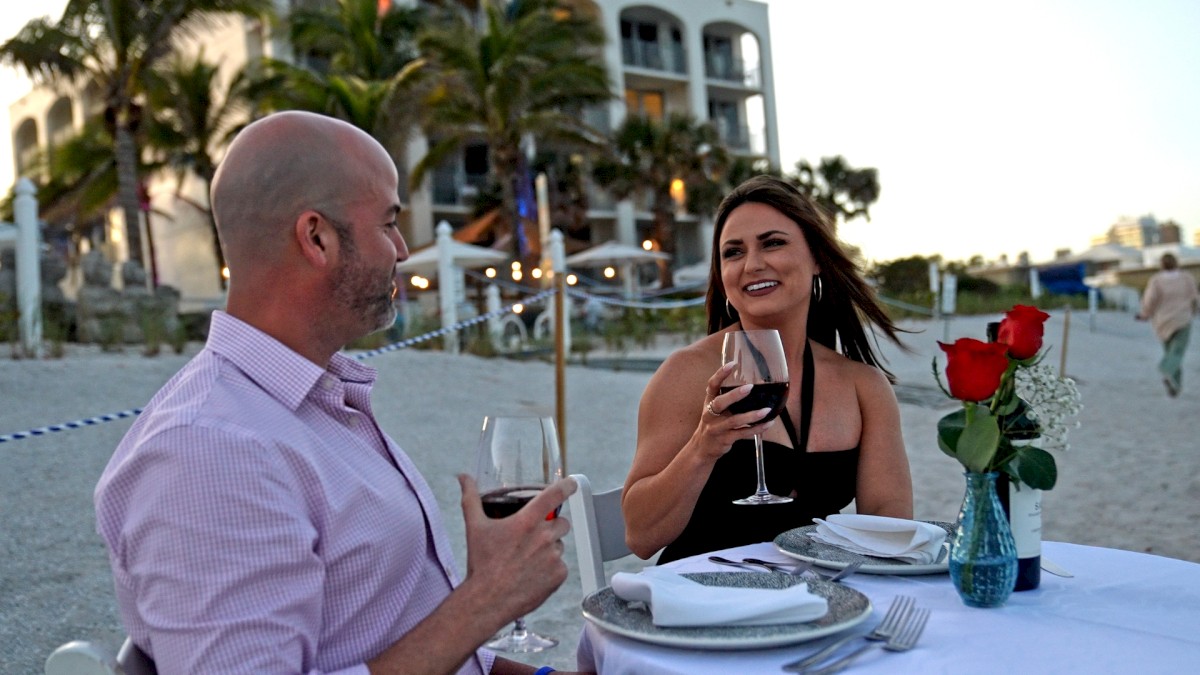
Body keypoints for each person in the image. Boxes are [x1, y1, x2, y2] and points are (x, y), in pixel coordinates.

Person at [94, 111, 581, 675]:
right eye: (388, 222)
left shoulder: (313, 405)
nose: (401, 249)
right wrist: (486, 601)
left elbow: (396, 631)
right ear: (317, 237)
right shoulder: (211, 450)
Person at [622, 175, 913, 563]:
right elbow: (640, 537)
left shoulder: (864, 386)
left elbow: (889, 526)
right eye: (733, 252)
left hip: (816, 602)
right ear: (722, 278)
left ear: (818, 260)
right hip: (703, 598)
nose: (753, 265)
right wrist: (702, 448)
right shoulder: (688, 373)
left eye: (772, 243)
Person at [1136, 252, 1199, 397]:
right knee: (1177, 352)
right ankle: (1167, 370)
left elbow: (1149, 300)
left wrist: (1144, 314)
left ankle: (1175, 387)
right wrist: (1194, 311)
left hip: (1162, 321)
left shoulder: (1156, 280)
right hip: (1182, 319)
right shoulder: (1186, 277)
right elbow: (1194, 297)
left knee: (1170, 352)